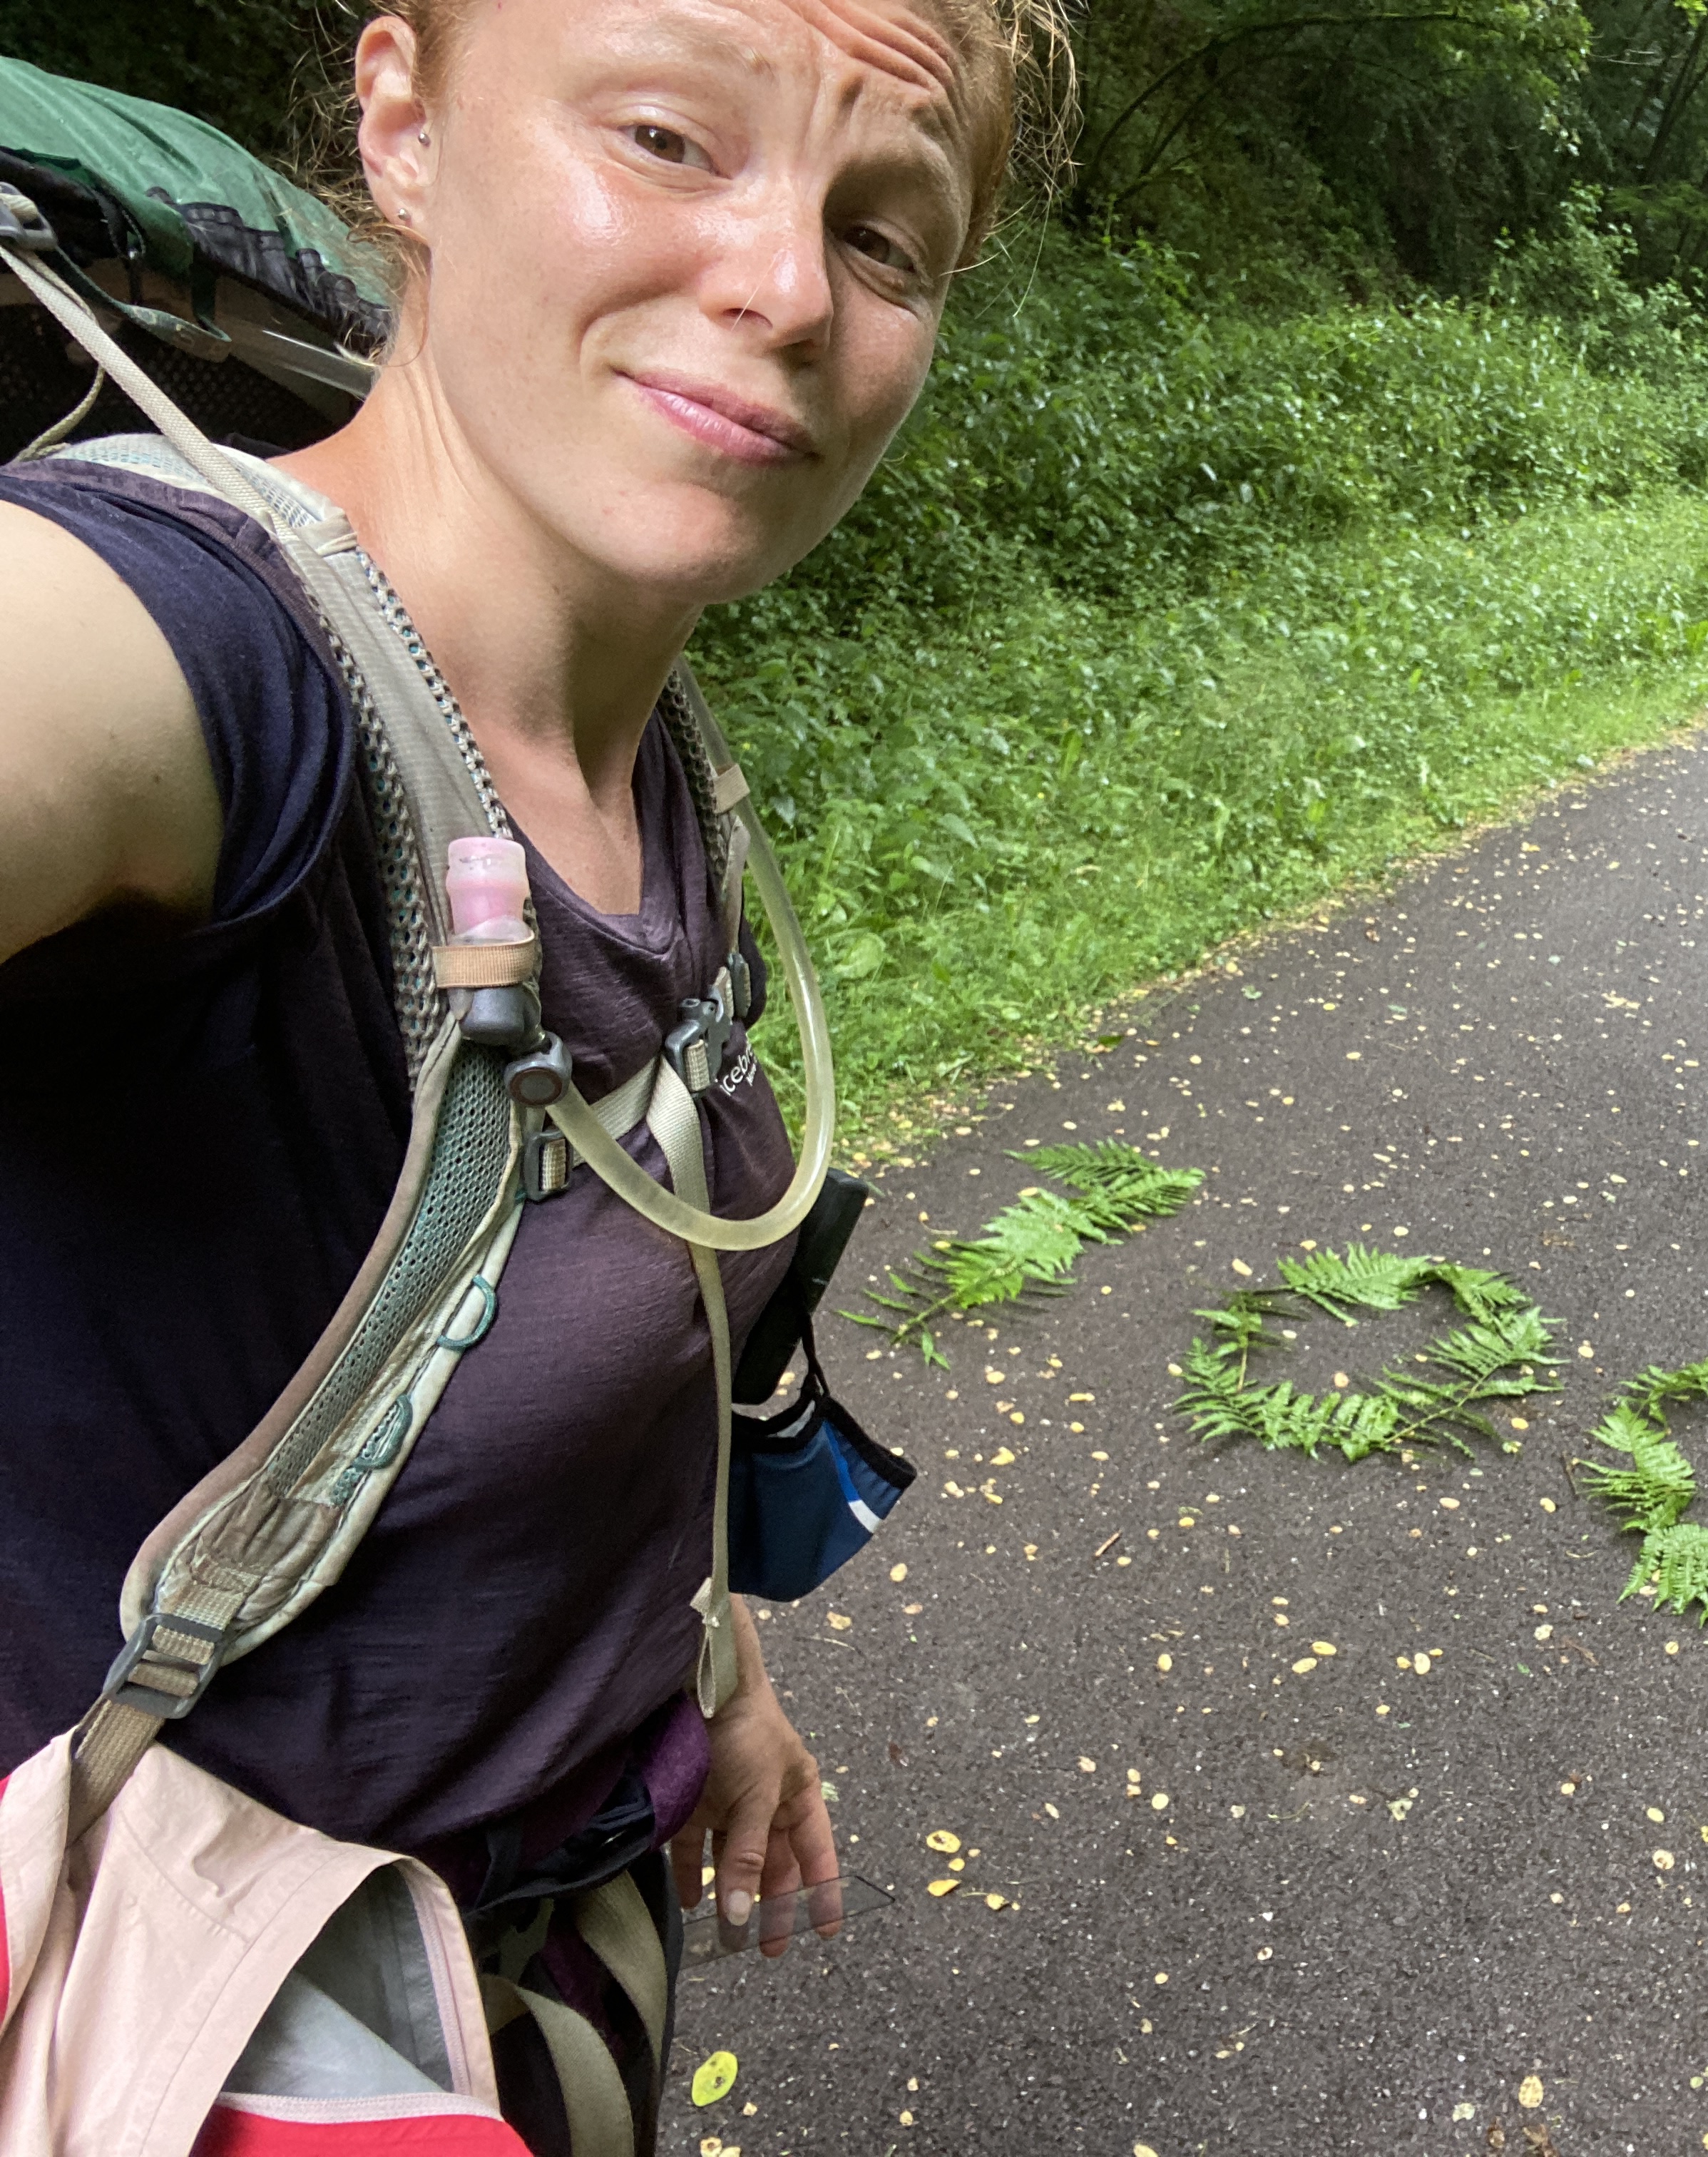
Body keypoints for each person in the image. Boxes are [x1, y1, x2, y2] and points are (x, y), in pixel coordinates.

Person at [0, 0, 1030, 2142]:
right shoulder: (191, 659)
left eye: (885, 235)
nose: (786, 285)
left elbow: (619, 1328)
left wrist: (711, 1677)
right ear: (403, 122)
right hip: (196, 2047)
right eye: (667, 135)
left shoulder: (652, 775)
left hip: (555, 1960)